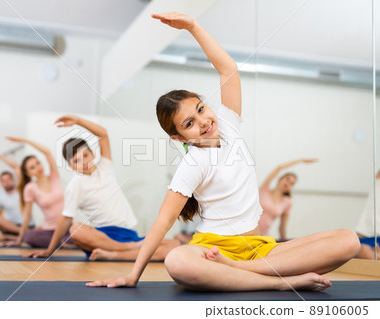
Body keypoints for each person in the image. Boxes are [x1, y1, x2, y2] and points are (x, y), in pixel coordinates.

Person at [87, 12, 360, 292]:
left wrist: (193, 26)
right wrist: (134, 275)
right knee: (178, 261)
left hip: (259, 251)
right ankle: (280, 282)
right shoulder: (193, 163)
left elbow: (228, 70)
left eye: (201, 109)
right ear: (177, 137)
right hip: (211, 250)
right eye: (189, 123)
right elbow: (164, 221)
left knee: (348, 240)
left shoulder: (229, 126)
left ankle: (242, 271)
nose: (203, 121)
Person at [25, 115, 179, 260]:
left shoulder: (104, 166)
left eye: (85, 155)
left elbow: (103, 134)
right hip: (101, 237)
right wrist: (49, 250)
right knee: (75, 229)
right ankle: (129, 249)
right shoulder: (75, 185)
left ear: (93, 154)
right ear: (71, 166)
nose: (84, 162)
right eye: (77, 160)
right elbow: (66, 219)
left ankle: (114, 255)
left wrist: (78, 120)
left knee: (174, 245)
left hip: (128, 234)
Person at [3, 137, 72, 248]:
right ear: (28, 174)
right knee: (29, 237)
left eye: (38, 163)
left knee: (81, 232)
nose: (37, 168)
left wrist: (26, 140)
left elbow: (47, 152)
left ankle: (62, 242)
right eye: (32, 167)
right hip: (50, 231)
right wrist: (19, 240)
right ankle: (61, 243)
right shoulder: (30, 188)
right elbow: (27, 215)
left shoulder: (54, 176)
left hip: (67, 227)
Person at [258, 159, 317, 240]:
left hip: (262, 237)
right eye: (287, 179)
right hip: (247, 233)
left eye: (292, 183)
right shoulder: (264, 190)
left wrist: (285, 242)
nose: (288, 183)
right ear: (280, 179)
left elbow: (282, 227)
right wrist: (301, 160)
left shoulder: (288, 202)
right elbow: (279, 167)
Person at [0, 152, 34, 240]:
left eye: (8, 179)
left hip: (27, 225)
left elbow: (17, 167)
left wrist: (0, 156)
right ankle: (21, 233)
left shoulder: (22, 190)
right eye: (3, 181)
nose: (6, 182)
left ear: (13, 180)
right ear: (0, 184)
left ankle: (20, 235)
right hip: (13, 227)